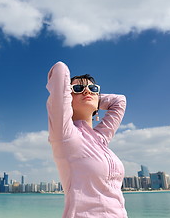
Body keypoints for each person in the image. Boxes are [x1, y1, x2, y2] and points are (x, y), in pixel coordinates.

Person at [46, 61, 128, 218]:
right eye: (78, 89)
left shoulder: (101, 138)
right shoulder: (65, 135)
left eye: (92, 88)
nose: (86, 92)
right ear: (67, 96)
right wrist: (69, 96)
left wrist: (95, 99)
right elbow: (59, 70)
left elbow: (120, 101)